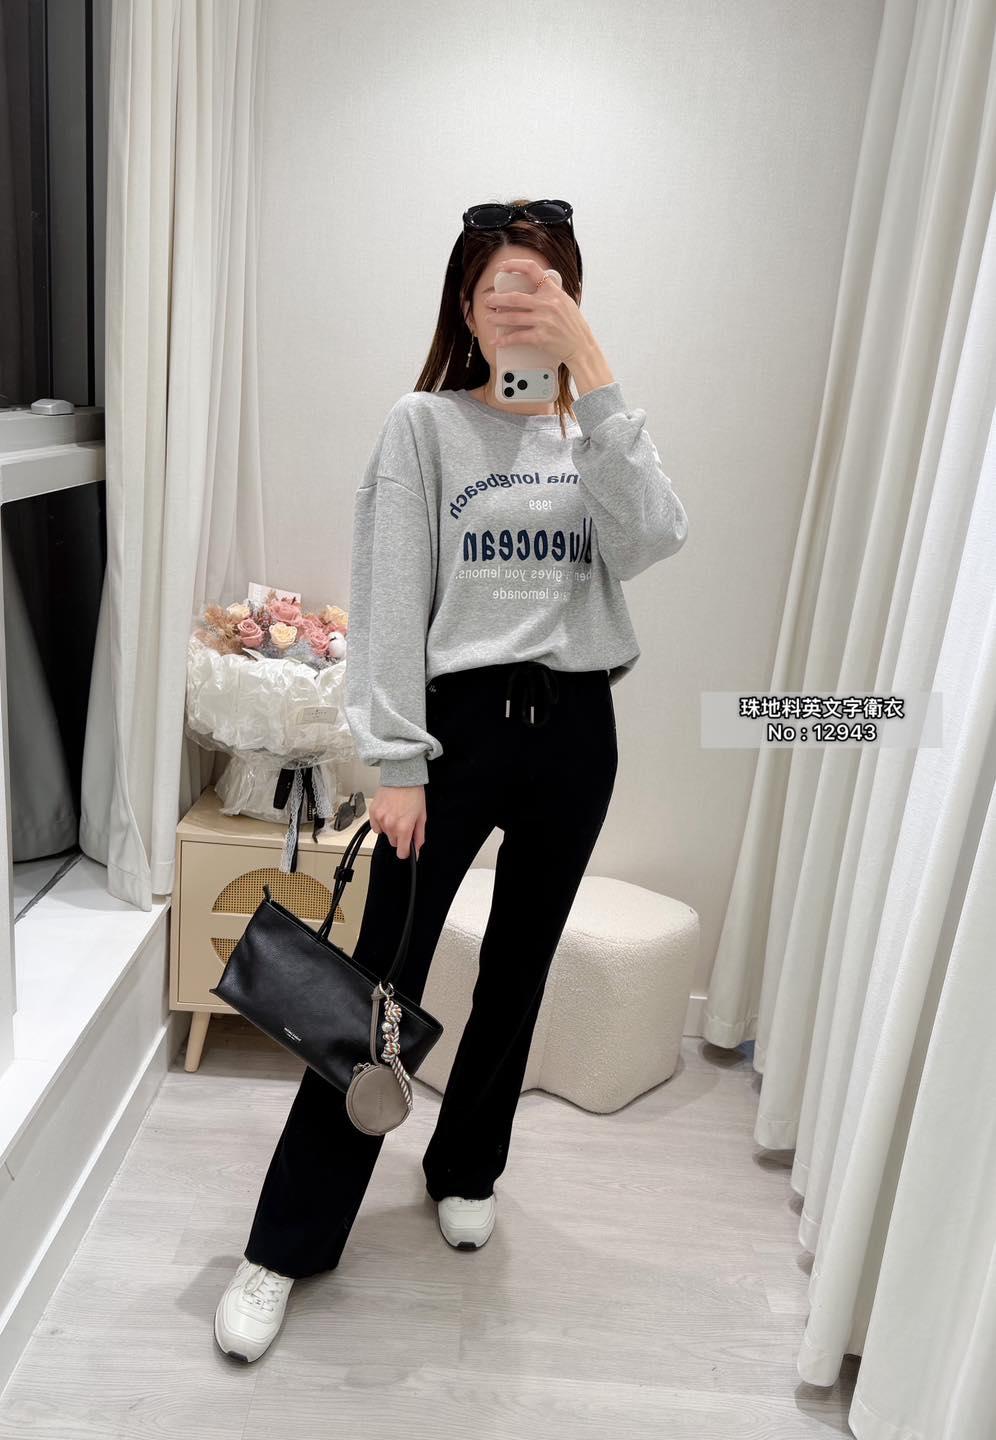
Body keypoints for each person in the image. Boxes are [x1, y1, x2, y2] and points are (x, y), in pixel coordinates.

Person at [214, 198, 689, 1363]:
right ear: (464, 310)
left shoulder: (598, 434)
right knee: (378, 985)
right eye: (497, 290)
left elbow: (654, 537)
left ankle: (466, 1167)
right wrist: (394, 758)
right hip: (456, 731)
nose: (517, 309)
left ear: (573, 301)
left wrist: (595, 375)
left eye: (542, 288)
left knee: (520, 969)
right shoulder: (424, 426)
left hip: (576, 730)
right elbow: (387, 597)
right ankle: (285, 1243)